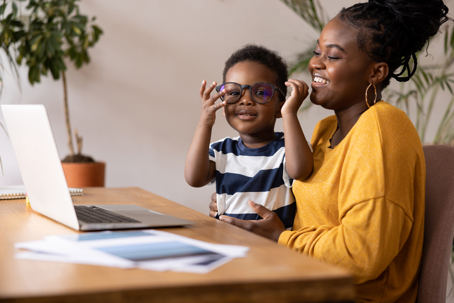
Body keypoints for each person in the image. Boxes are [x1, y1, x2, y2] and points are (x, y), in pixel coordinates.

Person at [209, 1, 450, 302]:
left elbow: (360, 254)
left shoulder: (382, 128)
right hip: (296, 277)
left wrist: (280, 237)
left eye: (333, 56)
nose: (315, 64)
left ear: (376, 72)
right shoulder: (326, 129)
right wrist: (244, 202)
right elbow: (310, 215)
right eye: (317, 52)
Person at [185, 45, 313, 229]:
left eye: (260, 92)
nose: (245, 100)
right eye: (234, 93)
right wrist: (204, 123)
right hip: (227, 243)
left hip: (272, 252)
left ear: (280, 107)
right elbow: (194, 178)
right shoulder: (221, 150)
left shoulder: (288, 150)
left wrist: (289, 114)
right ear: (223, 107)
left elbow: (300, 170)